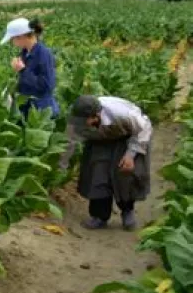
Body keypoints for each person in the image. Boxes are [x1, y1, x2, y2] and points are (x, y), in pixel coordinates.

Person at [60, 95, 152, 230]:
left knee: (124, 175)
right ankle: (99, 216)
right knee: (98, 174)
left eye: (86, 120)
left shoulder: (121, 114)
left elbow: (143, 129)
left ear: (96, 115)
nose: (82, 124)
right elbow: (69, 143)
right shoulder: (76, 118)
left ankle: (127, 211)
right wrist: (62, 166)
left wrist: (130, 155)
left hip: (128, 138)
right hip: (99, 140)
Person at [1, 18, 59, 118]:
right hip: (27, 108)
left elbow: (46, 86)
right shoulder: (25, 53)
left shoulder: (43, 54)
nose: (12, 43)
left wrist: (23, 70)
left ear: (21, 37)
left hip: (41, 111)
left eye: (12, 39)